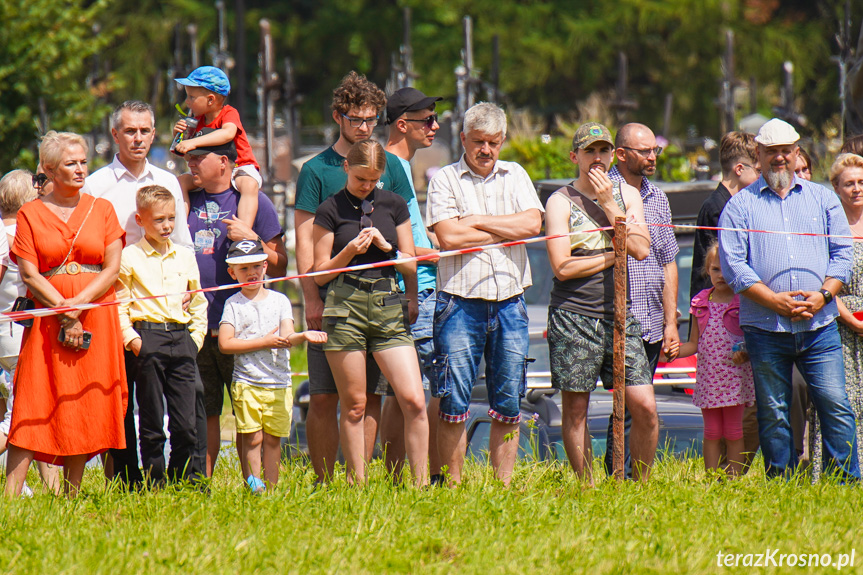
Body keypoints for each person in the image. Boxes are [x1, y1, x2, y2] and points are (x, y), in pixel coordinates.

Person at [719, 118, 859, 480]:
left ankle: (844, 482)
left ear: (797, 153)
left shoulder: (823, 198)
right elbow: (734, 267)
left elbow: (843, 255)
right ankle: (781, 482)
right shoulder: (739, 207)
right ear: (758, 156)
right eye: (772, 152)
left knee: (835, 405)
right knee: (773, 410)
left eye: (786, 151)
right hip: (766, 326)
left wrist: (824, 294)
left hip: (820, 323)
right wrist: (774, 302)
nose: (780, 159)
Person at [294, 71, 415, 483]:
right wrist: (310, 297)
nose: (364, 126)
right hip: (332, 299)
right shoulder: (315, 170)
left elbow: (403, 223)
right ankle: (326, 480)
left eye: (370, 119)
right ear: (337, 117)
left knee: (372, 399)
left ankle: (358, 477)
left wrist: (410, 286)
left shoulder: (390, 166)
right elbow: (304, 242)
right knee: (326, 398)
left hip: (381, 299)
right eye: (356, 119)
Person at [427, 102, 544, 486]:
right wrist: (504, 231)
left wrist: (476, 221)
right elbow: (448, 236)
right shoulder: (445, 178)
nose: (486, 150)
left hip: (510, 300)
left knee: (509, 402)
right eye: (479, 141)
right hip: (458, 302)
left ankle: (502, 488)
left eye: (494, 142)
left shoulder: (517, 174)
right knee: (454, 402)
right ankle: (454, 487)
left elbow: (532, 222)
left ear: (503, 141)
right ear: (463, 138)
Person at [5, 131, 127, 497]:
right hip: (47, 321)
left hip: (96, 317)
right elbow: (29, 273)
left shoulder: (102, 208)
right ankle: (10, 497)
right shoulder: (30, 213)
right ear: (49, 170)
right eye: (70, 164)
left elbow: (111, 269)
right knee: (34, 398)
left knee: (86, 400)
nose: (79, 169)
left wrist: (79, 309)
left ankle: (71, 496)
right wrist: (64, 312)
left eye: (83, 162)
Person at [83, 99, 195, 488]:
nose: (138, 138)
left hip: (163, 308)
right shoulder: (96, 185)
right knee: (122, 398)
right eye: (130, 130)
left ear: (154, 134)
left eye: (145, 130)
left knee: (173, 399)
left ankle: (179, 478)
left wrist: (188, 292)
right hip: (112, 301)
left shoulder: (167, 182)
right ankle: (128, 481)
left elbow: (183, 244)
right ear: (115, 134)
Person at [545, 122, 656, 483]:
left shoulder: (627, 195)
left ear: (613, 155)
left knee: (645, 407)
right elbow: (562, 267)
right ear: (575, 156)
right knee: (576, 410)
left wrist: (609, 203)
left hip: (620, 314)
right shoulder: (560, 201)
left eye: (603, 151)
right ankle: (587, 487)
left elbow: (640, 248)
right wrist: (614, 254)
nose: (597, 158)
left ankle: (638, 486)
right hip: (574, 314)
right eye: (589, 151)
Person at [313, 140, 428, 486]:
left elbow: (409, 262)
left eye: (373, 180)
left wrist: (387, 248)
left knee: (414, 400)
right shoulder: (329, 209)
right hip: (344, 305)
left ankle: (421, 485)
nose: (367, 186)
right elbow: (319, 273)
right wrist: (348, 251)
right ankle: (356, 484)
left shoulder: (393, 204)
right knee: (355, 405)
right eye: (361, 178)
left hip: (388, 303)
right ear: (347, 168)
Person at [185, 135, 286, 477]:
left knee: (250, 417)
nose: (192, 162)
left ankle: (255, 486)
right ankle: (203, 486)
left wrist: (252, 237)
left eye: (200, 156)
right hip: (197, 326)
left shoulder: (254, 203)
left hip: (246, 331)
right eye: (189, 156)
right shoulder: (185, 199)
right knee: (205, 411)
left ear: (225, 162)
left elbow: (281, 264)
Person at [115, 185, 208, 485]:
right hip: (148, 339)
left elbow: (198, 300)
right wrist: (133, 339)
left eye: (171, 218)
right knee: (152, 420)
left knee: (185, 423)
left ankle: (182, 479)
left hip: (181, 339)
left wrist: (195, 339)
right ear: (141, 221)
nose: (166, 225)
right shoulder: (129, 257)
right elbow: (120, 304)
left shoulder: (184, 255)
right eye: (159, 220)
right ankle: (156, 480)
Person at [219, 239, 327, 492]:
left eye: (256, 266)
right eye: (243, 269)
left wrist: (303, 336)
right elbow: (225, 344)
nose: (251, 273)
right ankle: (254, 487)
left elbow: (287, 336)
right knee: (252, 437)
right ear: (232, 273)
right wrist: (264, 341)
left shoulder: (280, 301)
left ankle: (271, 489)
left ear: (265, 266)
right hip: (247, 382)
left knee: (273, 439)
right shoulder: (233, 304)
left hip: (278, 382)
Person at [605, 123, 679, 476]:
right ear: (621, 154)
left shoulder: (658, 198)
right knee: (630, 405)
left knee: (633, 407)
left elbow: (668, 262)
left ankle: (629, 479)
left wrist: (670, 324)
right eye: (644, 151)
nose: (652, 157)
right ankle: (617, 476)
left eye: (655, 151)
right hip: (617, 317)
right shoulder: (602, 192)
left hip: (650, 319)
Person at [381, 86, 442, 481]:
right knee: (423, 392)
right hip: (412, 287)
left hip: (417, 282)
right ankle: (418, 475)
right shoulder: (390, 164)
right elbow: (386, 233)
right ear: (403, 125)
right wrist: (426, 252)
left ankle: (392, 476)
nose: (434, 127)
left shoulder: (401, 165)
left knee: (400, 394)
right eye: (427, 121)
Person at [0, 171, 61, 495]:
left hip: (4, 334)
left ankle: (48, 487)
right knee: (24, 415)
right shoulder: (23, 236)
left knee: (24, 411)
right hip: (17, 335)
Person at [673, 242, 755, 476]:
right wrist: (671, 352)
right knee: (711, 432)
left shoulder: (743, 300)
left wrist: (746, 352)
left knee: (733, 431)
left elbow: (753, 338)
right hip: (709, 379)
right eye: (716, 269)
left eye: (728, 269)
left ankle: (734, 479)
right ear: (707, 270)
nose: (721, 275)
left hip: (734, 378)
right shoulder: (701, 302)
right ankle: (711, 478)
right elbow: (693, 344)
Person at [808, 153, 863, 480]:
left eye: (861, 182)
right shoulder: (830, 225)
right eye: (849, 184)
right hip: (838, 324)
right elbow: (822, 280)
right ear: (836, 188)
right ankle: (837, 476)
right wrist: (851, 320)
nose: (856, 189)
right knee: (840, 403)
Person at [173, 66, 262, 227]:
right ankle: (181, 227)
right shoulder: (198, 122)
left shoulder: (228, 113)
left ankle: (243, 233)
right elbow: (190, 157)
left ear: (211, 99)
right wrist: (179, 140)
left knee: (248, 184)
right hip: (210, 172)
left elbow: (228, 133)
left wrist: (192, 142)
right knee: (181, 182)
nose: (187, 102)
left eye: (192, 97)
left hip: (240, 166)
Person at [690, 132, 760, 300]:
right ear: (739, 169)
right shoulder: (718, 208)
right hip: (717, 308)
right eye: (758, 171)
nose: (761, 177)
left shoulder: (731, 204)